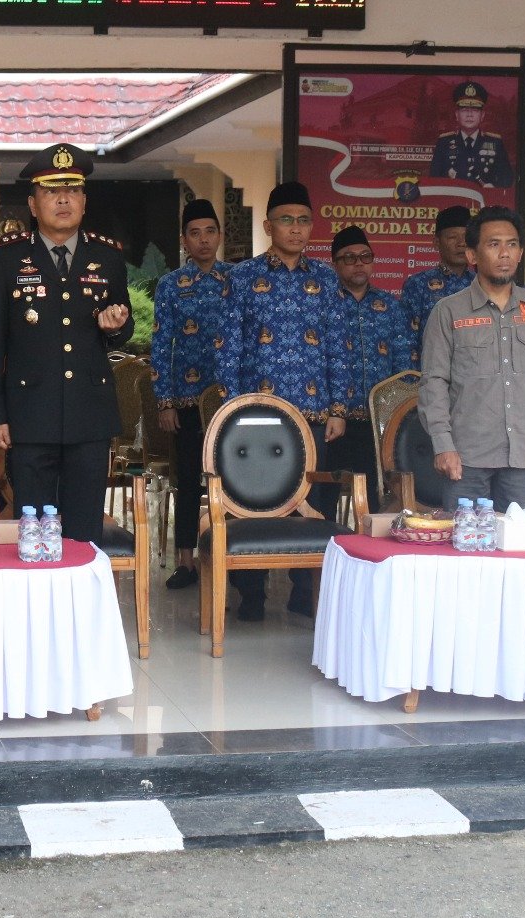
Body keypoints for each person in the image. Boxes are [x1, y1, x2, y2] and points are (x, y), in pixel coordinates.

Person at [0, 144, 131, 544]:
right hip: (29, 414)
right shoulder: (7, 259)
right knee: (34, 534)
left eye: (72, 190)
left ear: (84, 201)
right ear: (33, 203)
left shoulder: (108, 256)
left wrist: (114, 325)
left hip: (89, 413)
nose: (63, 200)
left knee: (84, 532)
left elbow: (122, 323)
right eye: (51, 191)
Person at [214, 180, 347, 621]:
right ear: (269, 226)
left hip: (313, 412)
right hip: (256, 413)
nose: (296, 228)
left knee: (312, 500)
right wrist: (231, 410)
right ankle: (250, 592)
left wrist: (338, 409)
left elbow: (337, 346)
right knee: (251, 499)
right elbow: (228, 348)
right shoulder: (242, 277)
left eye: (304, 220)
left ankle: (302, 590)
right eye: (286, 220)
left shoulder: (325, 279)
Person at [419, 205, 525, 511]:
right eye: (493, 244)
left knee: (515, 539)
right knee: (466, 537)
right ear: (472, 255)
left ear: (521, 253)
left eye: (512, 244)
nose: (504, 254)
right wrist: (443, 444)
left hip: (523, 455)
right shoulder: (448, 311)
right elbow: (434, 383)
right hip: (466, 457)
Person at [152, 198, 229, 590]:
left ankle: (227, 557)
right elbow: (160, 344)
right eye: (195, 233)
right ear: (184, 240)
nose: (203, 240)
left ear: (219, 235)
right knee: (187, 480)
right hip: (184, 401)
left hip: (228, 401)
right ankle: (185, 561)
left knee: (229, 480)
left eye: (210, 232)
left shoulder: (236, 279)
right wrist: (164, 401)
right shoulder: (171, 285)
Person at [326, 224, 413, 495]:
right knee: (327, 491)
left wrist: (401, 411)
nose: (359, 263)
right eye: (349, 258)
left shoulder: (389, 305)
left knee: (376, 495)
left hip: (379, 421)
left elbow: (403, 362)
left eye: (365, 256)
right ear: (335, 264)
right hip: (334, 419)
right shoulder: (325, 303)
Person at [400, 205, 474, 358]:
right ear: (436, 242)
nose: (461, 243)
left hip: (474, 371)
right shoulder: (418, 284)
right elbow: (406, 340)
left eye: (466, 237)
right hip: (431, 370)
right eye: (452, 237)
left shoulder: (480, 284)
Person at [427, 81, 515, 189]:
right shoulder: (444, 142)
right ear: (457, 115)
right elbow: (434, 179)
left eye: (475, 110)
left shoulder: (495, 143)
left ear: (482, 115)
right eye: (464, 110)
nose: (469, 115)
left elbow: (507, 178)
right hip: (453, 198)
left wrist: (494, 187)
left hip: (484, 198)